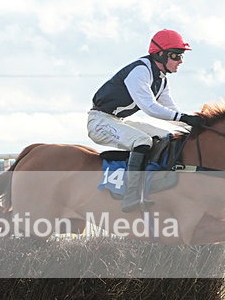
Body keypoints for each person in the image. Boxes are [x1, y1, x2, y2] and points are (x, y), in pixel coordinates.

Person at [88, 29, 205, 212]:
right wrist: (184, 118)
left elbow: (172, 111)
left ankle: (155, 186)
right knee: (142, 140)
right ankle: (131, 196)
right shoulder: (140, 71)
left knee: (167, 136)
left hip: (117, 120)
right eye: (176, 55)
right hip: (99, 122)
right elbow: (149, 107)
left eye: (181, 56)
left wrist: (194, 125)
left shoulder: (162, 80)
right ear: (160, 54)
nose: (180, 61)